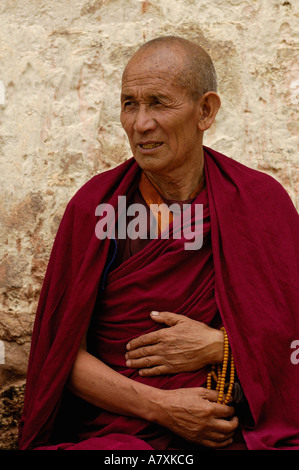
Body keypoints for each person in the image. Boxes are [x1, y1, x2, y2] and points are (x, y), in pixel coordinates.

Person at [18, 36, 299, 451]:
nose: (140, 123)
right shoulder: (95, 207)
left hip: (241, 431)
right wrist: (162, 407)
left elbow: (293, 341)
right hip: (123, 435)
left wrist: (221, 346)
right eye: (129, 103)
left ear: (205, 111)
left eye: (158, 103)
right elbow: (61, 357)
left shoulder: (259, 201)